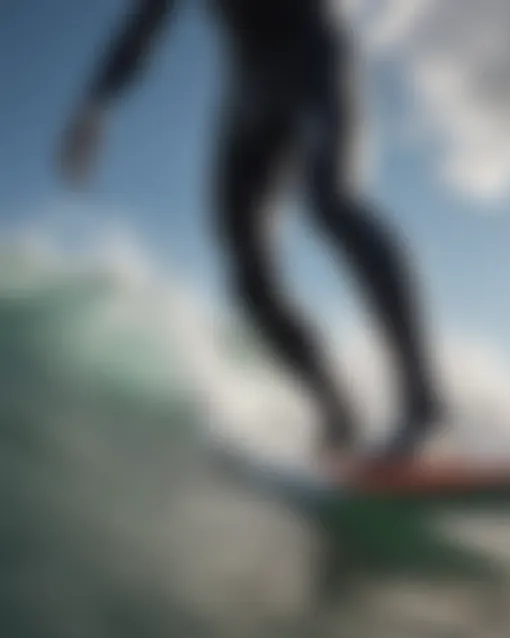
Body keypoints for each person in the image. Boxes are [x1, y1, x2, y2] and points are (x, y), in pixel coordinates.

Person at [59, 0, 443, 462]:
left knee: (331, 201)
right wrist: (97, 101)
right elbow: (142, 29)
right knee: (246, 276)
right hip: (249, 97)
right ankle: (335, 412)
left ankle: (422, 403)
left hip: (313, 62)